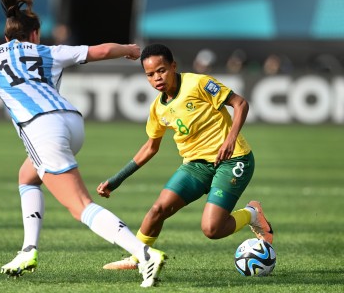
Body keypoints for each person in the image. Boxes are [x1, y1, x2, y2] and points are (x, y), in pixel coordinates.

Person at [0, 0, 167, 288]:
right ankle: (28, 250)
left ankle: (143, 253)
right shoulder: (48, 50)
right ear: (34, 34)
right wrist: (129, 50)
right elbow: (99, 51)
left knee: (80, 206)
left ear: (5, 35)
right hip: (71, 122)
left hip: (40, 127)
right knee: (27, 176)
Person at [96, 43, 273, 270]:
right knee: (158, 210)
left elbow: (240, 104)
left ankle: (251, 213)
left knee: (212, 229)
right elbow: (150, 147)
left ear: (173, 66)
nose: (157, 78)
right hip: (195, 166)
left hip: (233, 159)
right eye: (150, 75)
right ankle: (137, 257)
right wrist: (116, 180)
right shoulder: (157, 108)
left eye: (161, 70)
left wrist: (230, 139)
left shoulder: (198, 83)